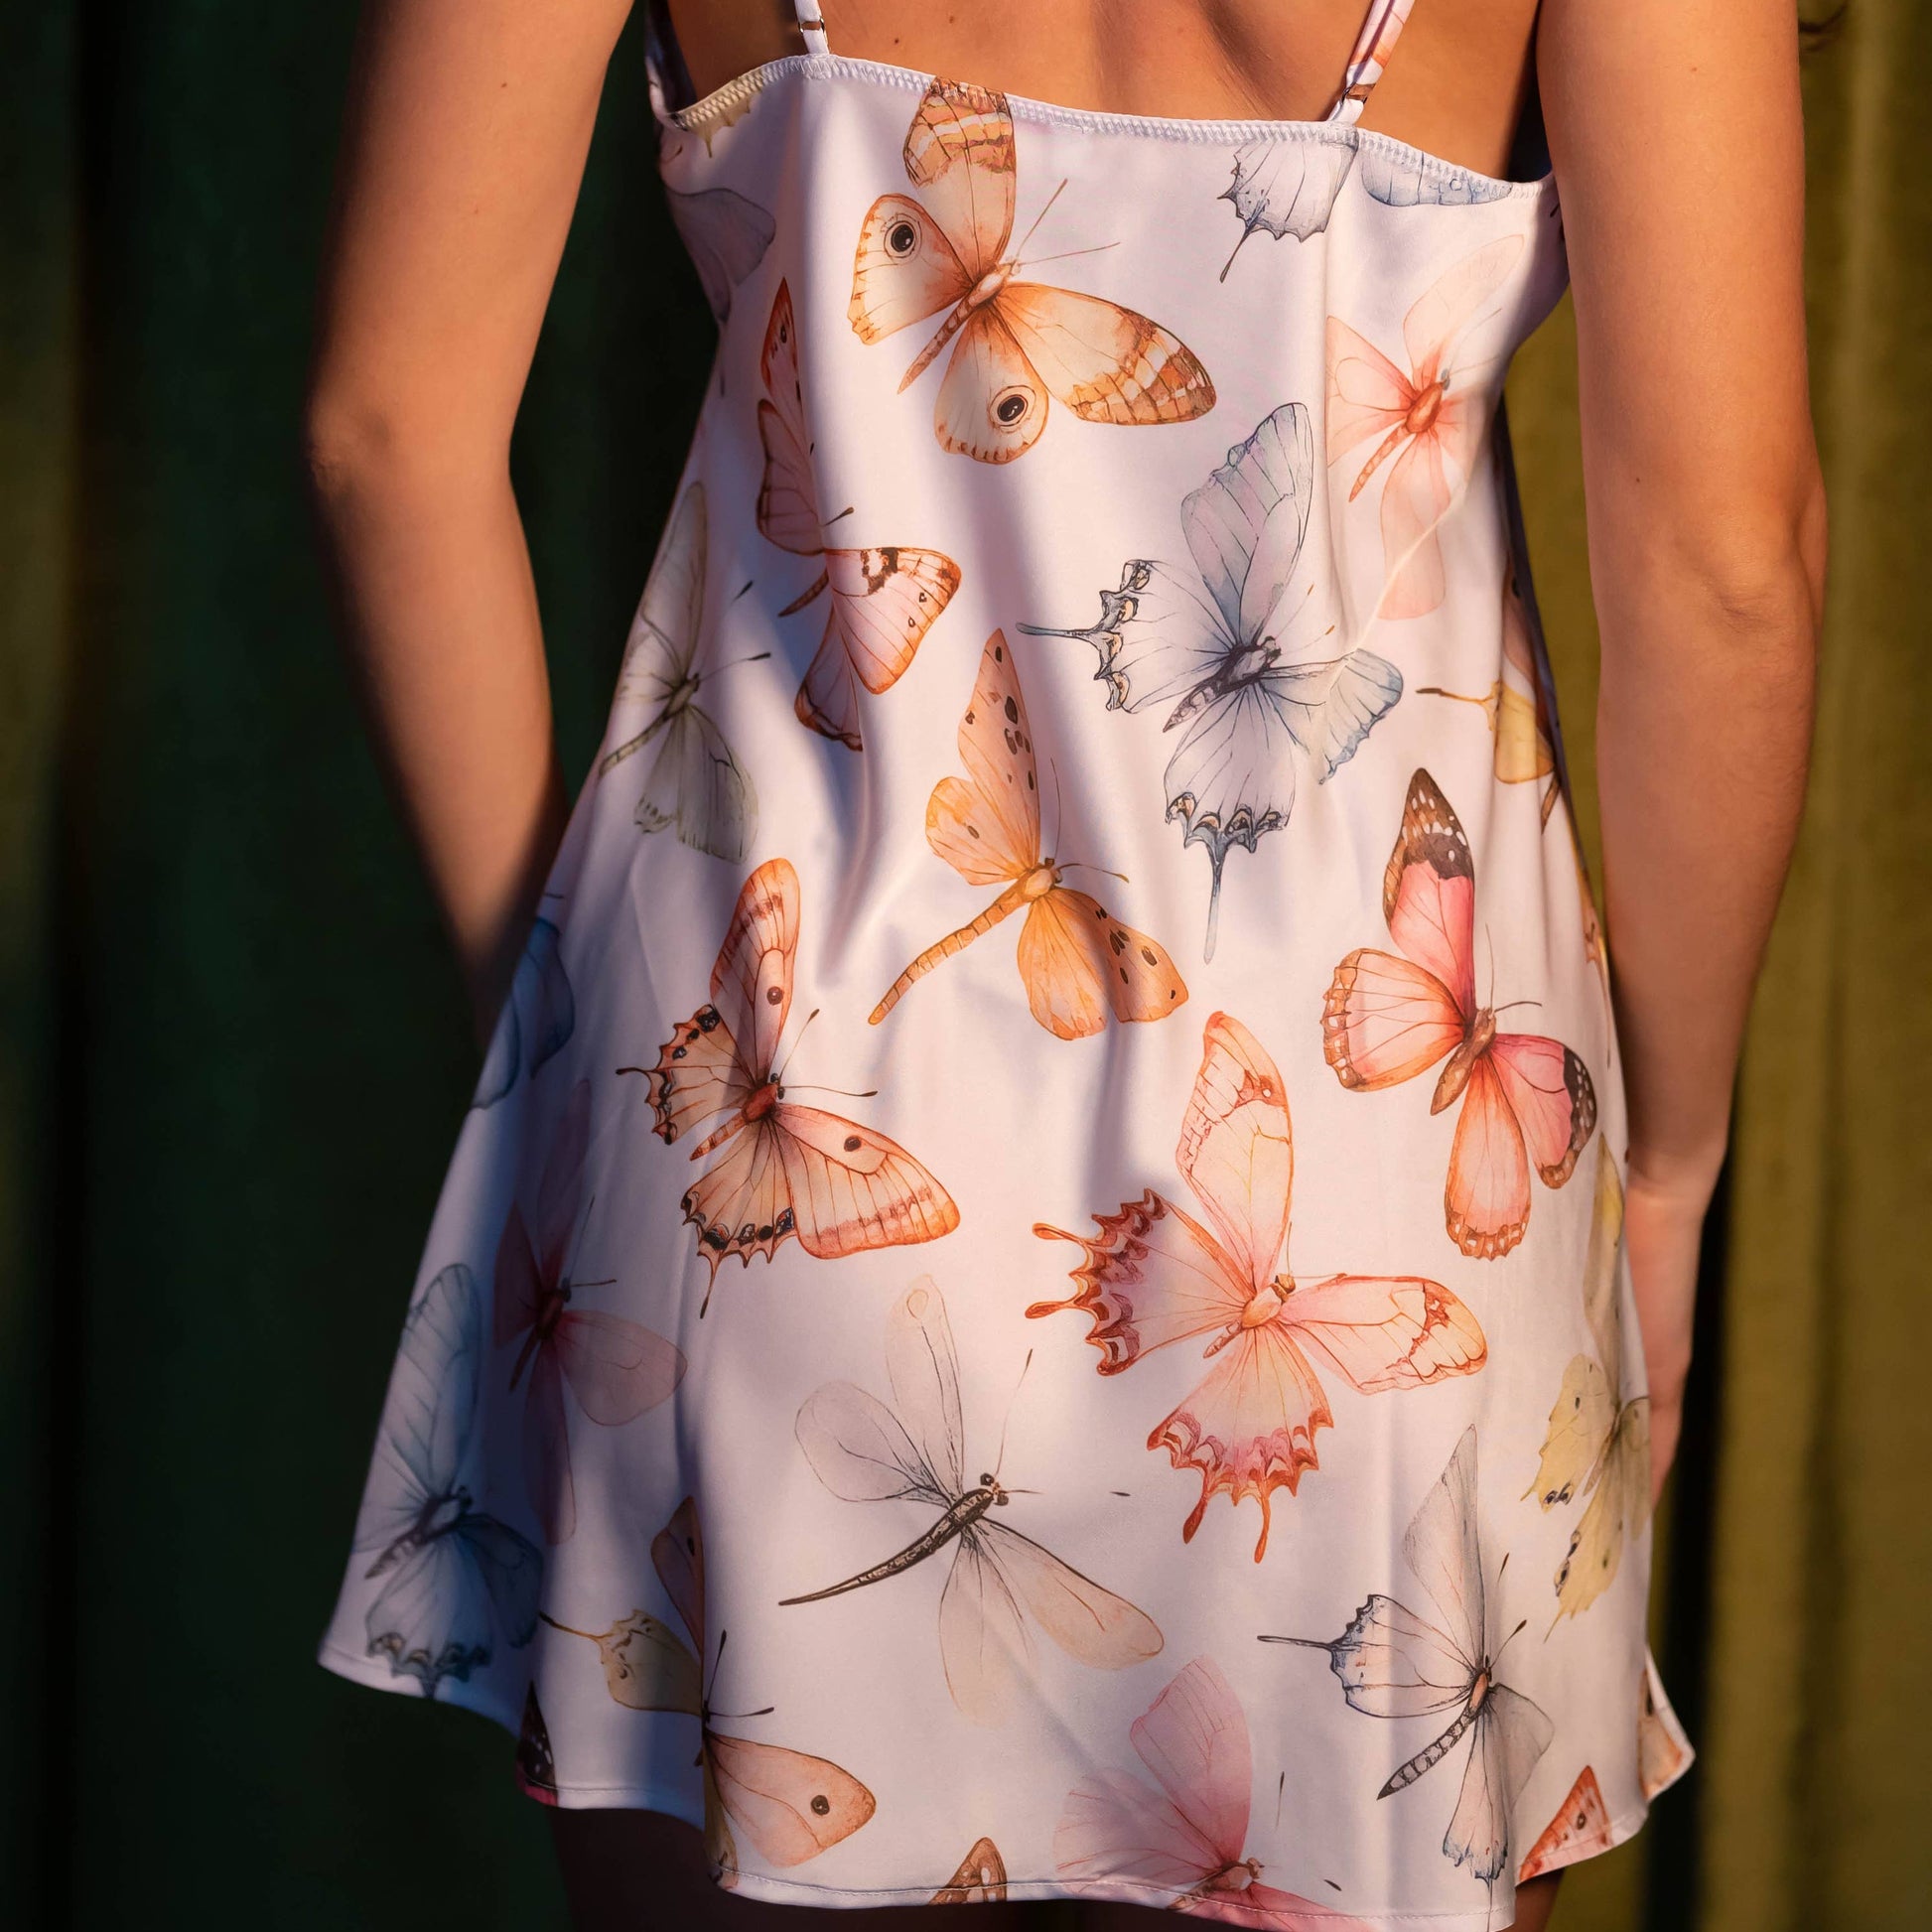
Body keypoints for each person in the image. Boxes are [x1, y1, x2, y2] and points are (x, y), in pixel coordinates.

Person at [304, 4, 1823, 1928]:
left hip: (768, 1116)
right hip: (1353, 1202)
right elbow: (1722, 562)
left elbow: (386, 439)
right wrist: (1669, 1172)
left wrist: (566, 1045)